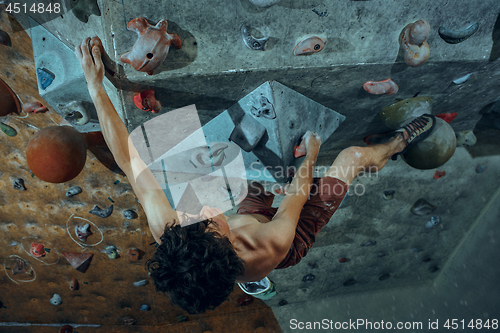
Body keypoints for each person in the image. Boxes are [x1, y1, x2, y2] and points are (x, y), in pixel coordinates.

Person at [75, 37, 436, 314]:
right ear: (225, 245)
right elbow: (295, 199)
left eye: (194, 222)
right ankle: (389, 151)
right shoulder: (270, 247)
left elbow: (128, 159)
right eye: (207, 222)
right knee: (350, 157)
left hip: (246, 225)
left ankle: (261, 185)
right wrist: (311, 152)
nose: (201, 211)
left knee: (254, 164)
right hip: (287, 231)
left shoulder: (171, 231)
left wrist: (95, 86)